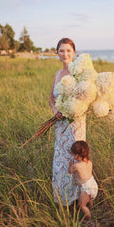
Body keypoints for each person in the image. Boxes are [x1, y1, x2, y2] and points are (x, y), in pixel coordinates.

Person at [49, 38, 86, 206]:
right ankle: (62, 198)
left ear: (74, 53)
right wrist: (56, 110)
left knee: (76, 158)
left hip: (75, 124)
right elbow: (51, 99)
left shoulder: (79, 75)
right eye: (61, 50)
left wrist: (73, 110)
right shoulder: (57, 74)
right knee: (60, 160)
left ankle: (80, 199)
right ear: (57, 53)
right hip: (60, 124)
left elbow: (86, 99)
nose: (64, 54)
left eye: (68, 50)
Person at [68, 140, 98, 219]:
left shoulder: (76, 166)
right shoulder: (89, 162)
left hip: (85, 188)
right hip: (93, 184)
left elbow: (70, 171)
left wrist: (70, 165)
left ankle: (89, 218)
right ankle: (92, 208)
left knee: (82, 205)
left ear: (77, 156)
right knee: (89, 198)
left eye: (73, 154)